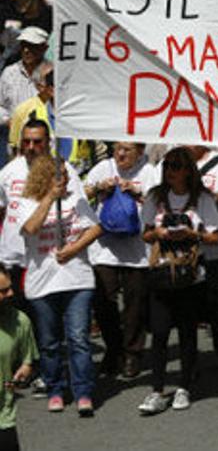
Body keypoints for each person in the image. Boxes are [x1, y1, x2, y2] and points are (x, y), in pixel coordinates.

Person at [137, 147, 218, 416]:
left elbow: (216, 237)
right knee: (160, 333)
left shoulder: (202, 199)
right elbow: (145, 234)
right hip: (162, 273)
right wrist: (161, 232)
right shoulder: (155, 196)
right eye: (167, 166)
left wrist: (191, 233)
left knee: (187, 332)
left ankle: (184, 385)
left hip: (191, 277)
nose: (170, 171)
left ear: (188, 169)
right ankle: (157, 388)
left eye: (176, 166)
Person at [18, 154, 101, 416]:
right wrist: (49, 198)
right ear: (45, 176)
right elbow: (31, 228)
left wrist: (73, 249)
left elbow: (95, 228)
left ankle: (83, 391)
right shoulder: (24, 202)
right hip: (43, 283)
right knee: (50, 342)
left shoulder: (75, 200)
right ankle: (55, 388)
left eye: (65, 174)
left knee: (78, 338)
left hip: (77, 279)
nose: (65, 179)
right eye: (59, 175)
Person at [84, 142, 159, 381]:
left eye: (127, 149)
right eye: (117, 148)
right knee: (103, 300)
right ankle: (113, 349)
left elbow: (160, 202)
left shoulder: (150, 171)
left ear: (139, 151)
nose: (121, 153)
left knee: (134, 306)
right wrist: (99, 188)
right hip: (104, 248)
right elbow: (81, 194)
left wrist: (137, 193)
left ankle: (132, 354)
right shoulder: (102, 167)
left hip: (137, 251)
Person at [0, 264, 36, 448]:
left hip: (4, 416)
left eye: (10, 288)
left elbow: (27, 358)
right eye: (3, 291)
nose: (11, 294)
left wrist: (25, 367)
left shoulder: (19, 321)